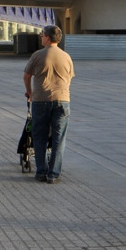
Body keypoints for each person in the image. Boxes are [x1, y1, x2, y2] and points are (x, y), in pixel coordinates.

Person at [22, 25, 74, 183]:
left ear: (48, 37)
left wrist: (29, 91)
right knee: (58, 138)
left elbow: (26, 76)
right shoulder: (66, 56)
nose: (41, 37)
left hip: (40, 101)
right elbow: (69, 78)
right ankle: (54, 174)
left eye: (42, 35)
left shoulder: (37, 55)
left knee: (40, 137)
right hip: (62, 101)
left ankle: (41, 172)